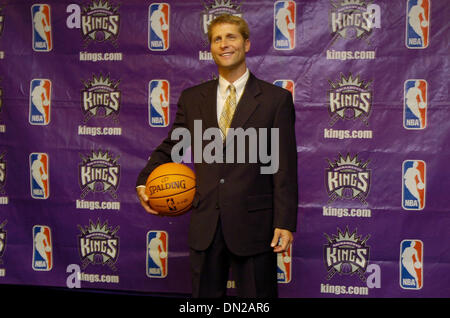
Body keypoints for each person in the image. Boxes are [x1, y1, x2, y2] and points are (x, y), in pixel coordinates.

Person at [136, 14, 298, 298]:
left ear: (246, 44)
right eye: (217, 39)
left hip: (255, 225)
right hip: (206, 223)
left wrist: (284, 221)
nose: (224, 44)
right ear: (211, 48)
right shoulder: (192, 98)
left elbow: (283, 165)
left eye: (231, 37)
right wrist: (144, 180)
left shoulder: (275, 100)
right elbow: (173, 146)